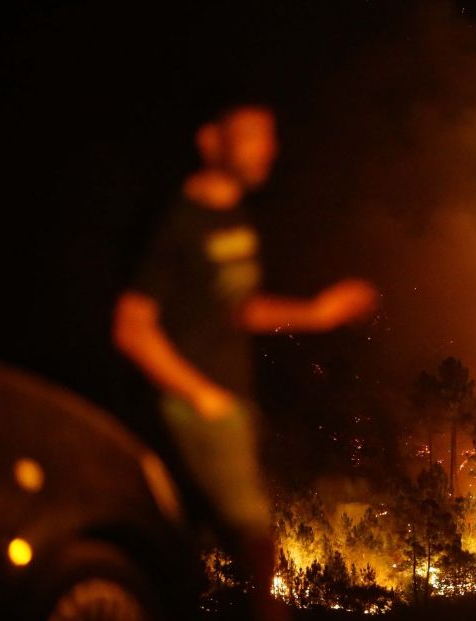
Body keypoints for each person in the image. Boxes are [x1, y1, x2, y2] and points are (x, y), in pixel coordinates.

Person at [112, 104, 377, 618]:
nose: (268, 147)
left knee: (187, 555)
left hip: (229, 406)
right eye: (252, 134)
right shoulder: (176, 222)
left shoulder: (234, 217)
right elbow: (132, 327)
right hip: (195, 411)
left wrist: (318, 313)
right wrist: (201, 396)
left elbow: (238, 308)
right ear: (211, 141)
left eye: (269, 134)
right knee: (257, 548)